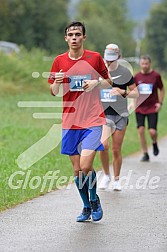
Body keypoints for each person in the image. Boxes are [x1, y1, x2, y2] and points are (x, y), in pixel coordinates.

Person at [48, 21, 112, 222]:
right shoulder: (59, 61)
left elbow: (109, 81)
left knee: (86, 166)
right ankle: (86, 207)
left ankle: (94, 200)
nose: (74, 37)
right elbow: (53, 91)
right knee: (76, 170)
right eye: (70, 34)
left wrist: (96, 82)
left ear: (84, 37)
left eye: (78, 34)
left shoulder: (95, 58)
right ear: (66, 38)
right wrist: (56, 83)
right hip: (70, 121)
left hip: (93, 119)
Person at [99, 43, 138, 190]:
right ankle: (106, 175)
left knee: (116, 149)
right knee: (103, 146)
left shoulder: (125, 73)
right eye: (107, 59)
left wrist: (123, 93)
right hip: (104, 114)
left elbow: (136, 93)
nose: (109, 62)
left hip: (120, 115)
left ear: (119, 57)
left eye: (112, 59)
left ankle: (116, 179)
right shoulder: (99, 72)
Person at [134, 55, 165, 162]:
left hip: (152, 107)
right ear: (140, 64)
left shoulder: (156, 75)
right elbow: (134, 91)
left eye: (146, 64)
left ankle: (154, 143)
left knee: (152, 131)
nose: (145, 66)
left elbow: (162, 89)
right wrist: (132, 104)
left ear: (150, 64)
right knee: (141, 130)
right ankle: (145, 153)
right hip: (140, 107)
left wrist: (160, 103)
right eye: (142, 64)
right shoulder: (137, 77)